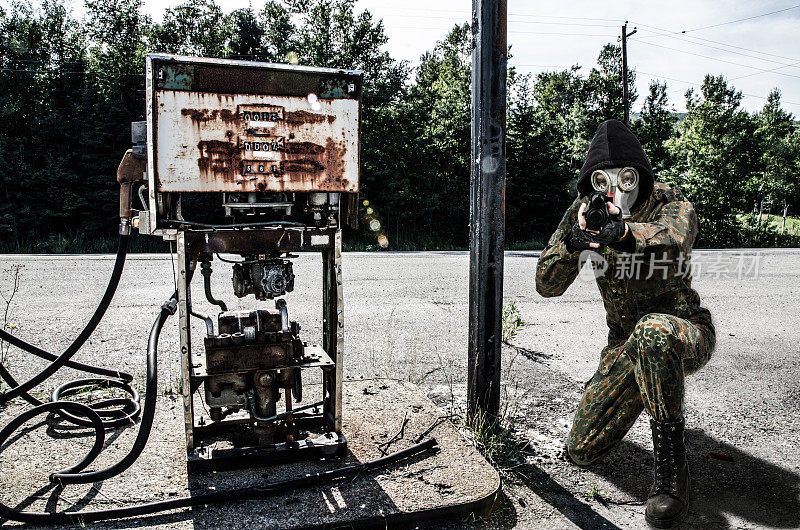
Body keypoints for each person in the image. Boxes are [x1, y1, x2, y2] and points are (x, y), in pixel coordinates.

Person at [535, 119, 715, 529]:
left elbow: (672, 238)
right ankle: (643, 384)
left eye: (626, 178)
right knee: (582, 447)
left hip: (683, 329)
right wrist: (573, 244)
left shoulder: (671, 202)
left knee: (653, 331)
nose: (615, 190)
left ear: (641, 176)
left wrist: (623, 233)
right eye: (604, 181)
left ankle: (672, 475)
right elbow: (546, 283)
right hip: (625, 344)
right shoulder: (583, 212)